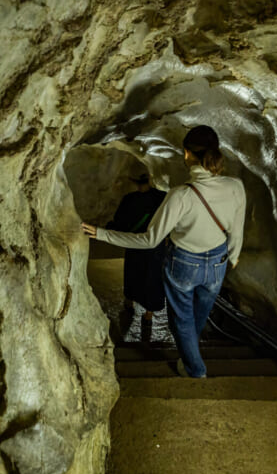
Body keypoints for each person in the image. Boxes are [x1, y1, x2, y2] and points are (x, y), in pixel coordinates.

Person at [81, 126, 246, 378]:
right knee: (198, 316)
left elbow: (150, 240)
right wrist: (233, 256)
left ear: (187, 154)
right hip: (218, 263)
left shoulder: (180, 195)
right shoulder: (236, 187)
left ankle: (195, 368)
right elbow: (237, 227)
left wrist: (102, 234)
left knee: (181, 320)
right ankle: (190, 352)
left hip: (184, 264)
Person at [105, 173, 166, 323]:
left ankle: (131, 302)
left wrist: (113, 229)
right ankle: (148, 312)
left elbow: (120, 220)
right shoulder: (161, 197)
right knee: (151, 276)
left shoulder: (130, 199)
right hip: (155, 245)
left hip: (135, 243)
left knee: (135, 272)